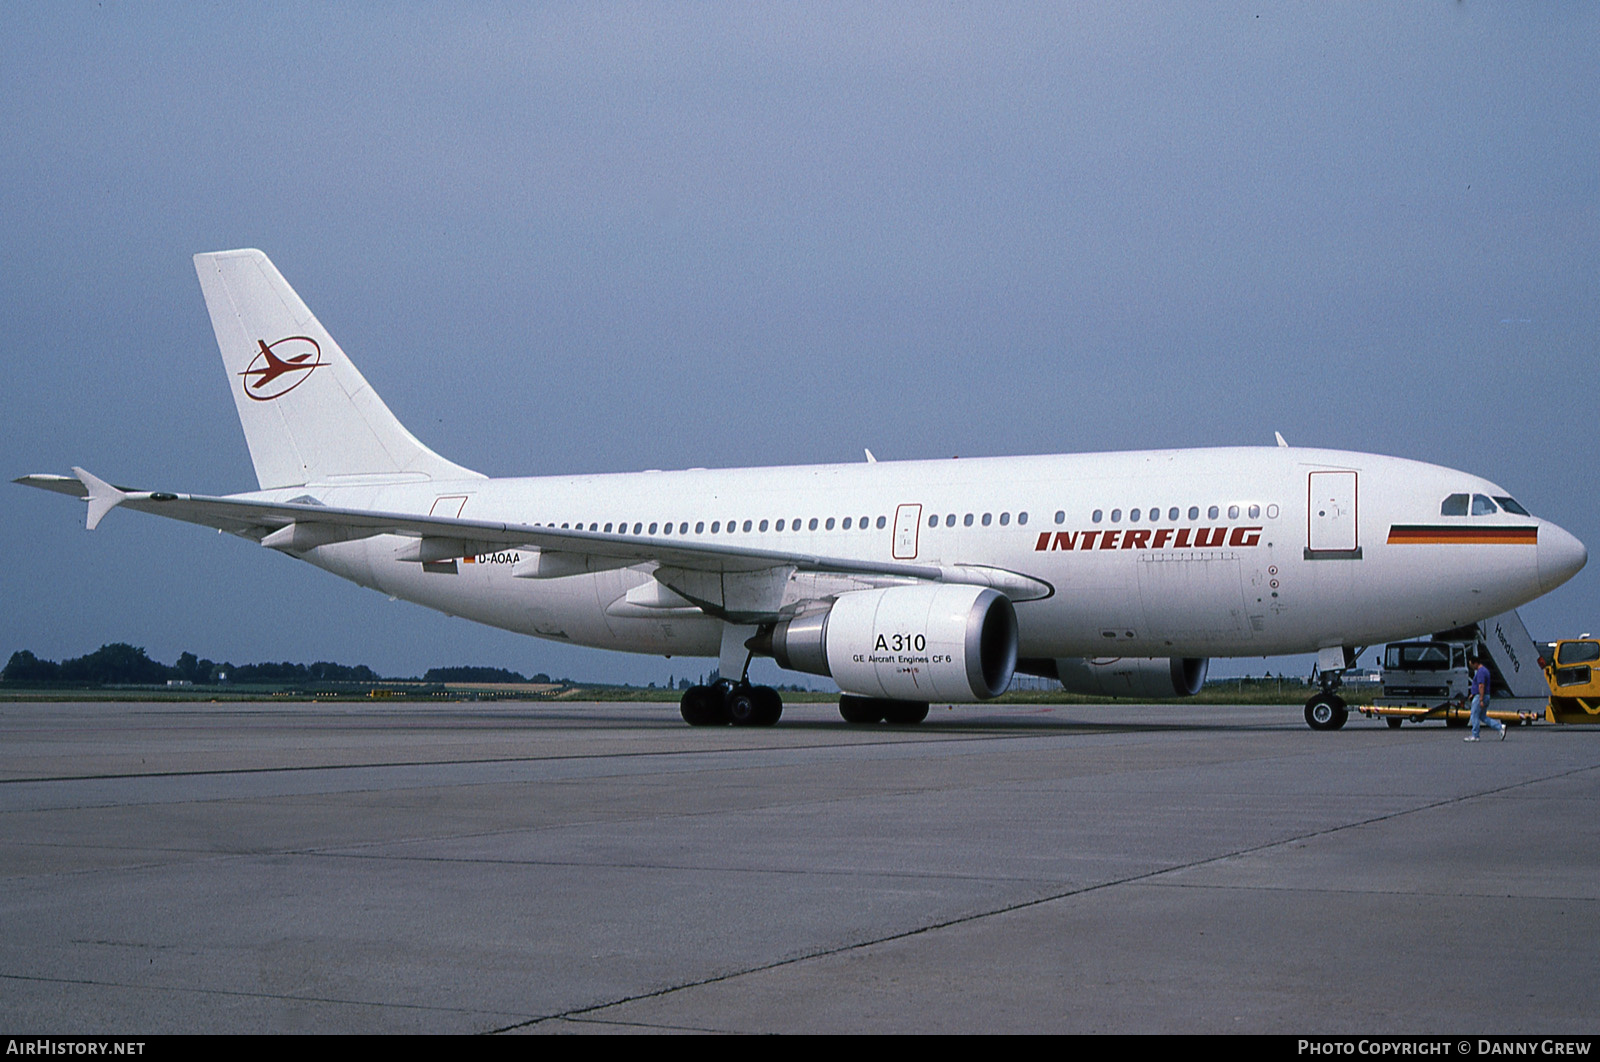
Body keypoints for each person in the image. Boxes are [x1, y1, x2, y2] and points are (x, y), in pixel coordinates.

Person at [1464, 654, 1506, 741]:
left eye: (1471, 665)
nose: (1471, 667)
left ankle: (1475, 735)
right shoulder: (1485, 670)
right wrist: (1473, 693)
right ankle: (1500, 727)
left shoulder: (1481, 672)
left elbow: (1481, 685)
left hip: (1480, 696)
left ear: (1475, 663)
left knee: (1474, 715)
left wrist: (1480, 699)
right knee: (1483, 717)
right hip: (1485, 695)